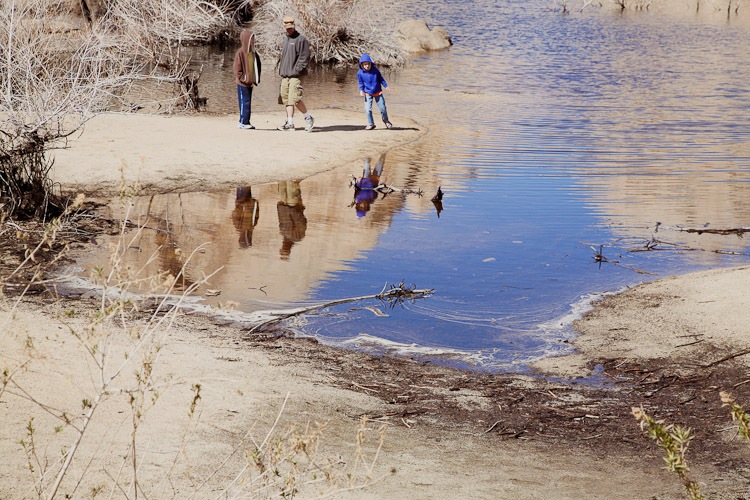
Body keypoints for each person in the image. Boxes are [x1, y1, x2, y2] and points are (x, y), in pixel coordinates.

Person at [277, 17, 315, 132]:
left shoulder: (301, 39)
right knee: (286, 99)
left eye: (291, 28)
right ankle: (290, 123)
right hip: (285, 75)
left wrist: (298, 69)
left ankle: (308, 117)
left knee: (295, 99)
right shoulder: (285, 40)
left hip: (296, 75)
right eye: (287, 28)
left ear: (294, 26)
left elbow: (305, 57)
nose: (289, 30)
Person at [233, 30, 261, 130]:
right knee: (244, 102)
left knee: (247, 102)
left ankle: (245, 121)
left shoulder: (253, 52)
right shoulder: (240, 53)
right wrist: (243, 78)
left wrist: (256, 78)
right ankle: (243, 122)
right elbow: (237, 69)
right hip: (243, 83)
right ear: (246, 40)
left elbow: (257, 66)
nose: (253, 40)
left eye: (253, 38)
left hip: (250, 82)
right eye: (251, 39)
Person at [357, 54, 392, 130]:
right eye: (365, 64)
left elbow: (381, 79)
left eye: (368, 64)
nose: (367, 66)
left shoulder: (375, 70)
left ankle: (386, 121)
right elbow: (360, 82)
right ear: (362, 65)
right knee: (368, 110)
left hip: (378, 92)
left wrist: (386, 86)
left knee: (382, 108)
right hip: (368, 93)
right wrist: (361, 90)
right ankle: (371, 124)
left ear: (371, 63)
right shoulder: (360, 73)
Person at [277, 180, 307, 259]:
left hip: (283, 204)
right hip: (293, 205)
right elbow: (302, 222)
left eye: (282, 250)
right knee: (292, 183)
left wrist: (279, 206)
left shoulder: (283, 233)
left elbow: (281, 219)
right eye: (285, 250)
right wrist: (293, 210)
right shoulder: (298, 237)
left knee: (282, 181)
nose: (283, 247)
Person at [353, 153, 386, 218]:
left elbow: (357, 188)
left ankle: (368, 153)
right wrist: (382, 185)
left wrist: (358, 181)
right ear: (367, 207)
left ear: (357, 206)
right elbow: (377, 190)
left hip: (365, 179)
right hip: (375, 179)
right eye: (364, 208)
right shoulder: (372, 200)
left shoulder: (357, 198)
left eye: (360, 207)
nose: (362, 206)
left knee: (367, 164)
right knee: (381, 162)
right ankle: (384, 152)